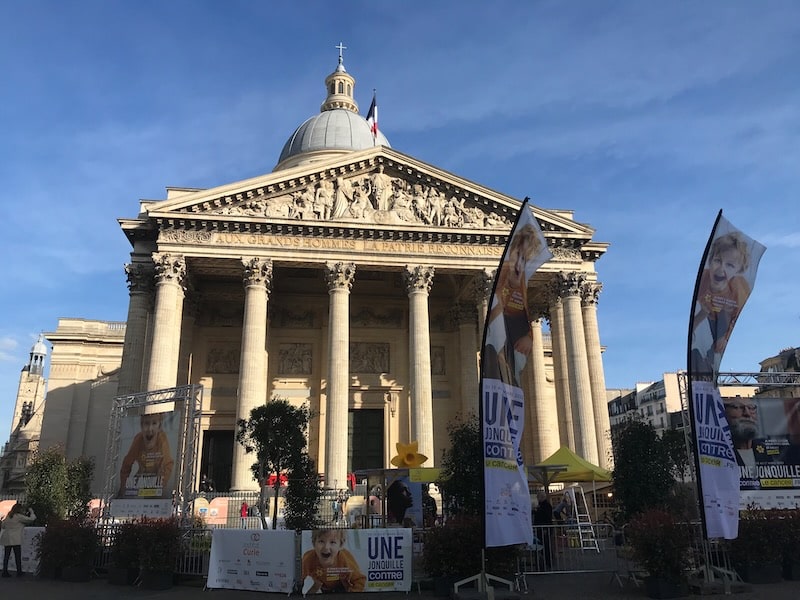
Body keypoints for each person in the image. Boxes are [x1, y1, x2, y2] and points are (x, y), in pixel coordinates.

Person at [485, 223, 543, 386]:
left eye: (524, 259)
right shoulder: (499, 297)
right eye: (518, 255)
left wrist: (528, 336)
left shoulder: (516, 301)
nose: (519, 264)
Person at [691, 232, 752, 376]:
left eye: (730, 265)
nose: (721, 268)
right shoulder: (704, 280)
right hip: (707, 317)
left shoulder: (738, 287)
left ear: (739, 270)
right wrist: (702, 314)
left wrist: (725, 337)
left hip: (724, 319)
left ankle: (711, 360)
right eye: (718, 260)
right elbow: (692, 326)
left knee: (718, 344)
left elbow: (734, 317)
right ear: (710, 260)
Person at [118, 412, 174, 499]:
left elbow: (168, 463)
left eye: (154, 423)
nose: (150, 428)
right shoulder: (138, 439)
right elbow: (126, 464)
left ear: (159, 427)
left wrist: (162, 485)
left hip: (158, 477)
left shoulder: (162, 439)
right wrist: (123, 488)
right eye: (146, 424)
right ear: (141, 426)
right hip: (143, 477)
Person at [301, 529, 366, 593]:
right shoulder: (309, 559)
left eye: (332, 542)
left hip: (343, 588)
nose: (326, 547)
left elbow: (360, 580)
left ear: (341, 545)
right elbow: (299, 578)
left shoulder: (344, 559)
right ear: (313, 543)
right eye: (321, 541)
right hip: (323, 587)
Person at [724, 398, 773, 467]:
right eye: (737, 407)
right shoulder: (719, 453)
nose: (747, 413)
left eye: (751, 408)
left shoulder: (767, 451)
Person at [0, 504, 36, 577]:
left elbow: (3, 526)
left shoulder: (8, 516)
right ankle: (19, 571)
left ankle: (5, 571)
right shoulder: (19, 517)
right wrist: (31, 512)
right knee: (17, 555)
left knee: (6, 555)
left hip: (7, 537)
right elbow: (31, 519)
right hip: (15, 538)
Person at [532, 491, 553, 569]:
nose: (537, 499)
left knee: (545, 546)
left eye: (538, 497)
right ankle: (543, 563)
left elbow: (547, 517)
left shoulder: (546, 506)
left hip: (544, 529)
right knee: (541, 546)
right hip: (540, 528)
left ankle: (547, 562)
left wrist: (545, 528)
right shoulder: (540, 506)